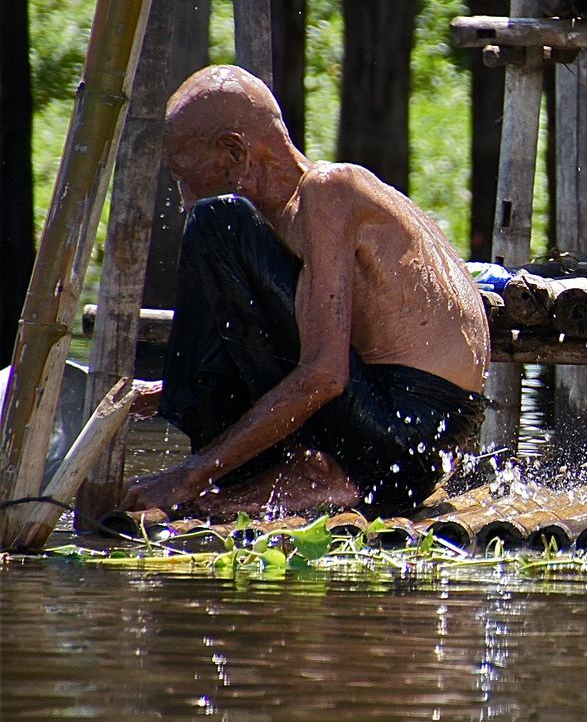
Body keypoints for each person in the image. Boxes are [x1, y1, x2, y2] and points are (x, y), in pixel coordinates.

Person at [121, 65, 490, 518]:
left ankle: (321, 473)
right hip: (411, 443)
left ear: (236, 153)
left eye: (186, 174)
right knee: (225, 231)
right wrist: (156, 395)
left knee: (217, 224)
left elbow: (324, 375)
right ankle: (301, 465)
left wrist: (192, 473)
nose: (182, 198)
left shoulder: (328, 190)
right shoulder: (286, 223)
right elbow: (290, 347)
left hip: (402, 441)